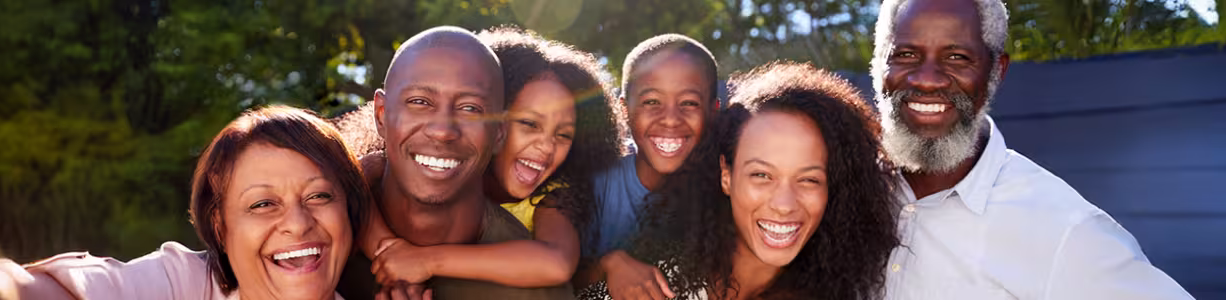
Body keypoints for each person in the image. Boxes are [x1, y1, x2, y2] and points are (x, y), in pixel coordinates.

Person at [0, 105, 371, 300]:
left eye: (320, 196)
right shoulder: (183, 285)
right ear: (218, 220)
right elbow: (46, 293)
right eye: (262, 204)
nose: (298, 224)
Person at [871, 0, 1193, 299]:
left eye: (957, 57)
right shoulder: (839, 188)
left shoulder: (1065, 230)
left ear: (996, 72)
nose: (927, 80)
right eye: (905, 54)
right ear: (877, 64)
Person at [578, 62, 899, 300]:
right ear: (726, 176)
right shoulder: (653, 282)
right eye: (762, 175)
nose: (784, 204)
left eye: (809, 180)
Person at [349, 27, 622, 291]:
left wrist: (426, 261)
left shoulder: (551, 199)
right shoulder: (421, 166)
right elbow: (352, 184)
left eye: (563, 135)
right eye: (528, 124)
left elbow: (556, 263)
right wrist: (386, 251)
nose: (546, 146)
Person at [580, 33, 721, 295]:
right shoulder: (595, 184)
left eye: (689, 103)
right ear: (624, 110)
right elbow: (562, 278)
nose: (670, 119)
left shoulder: (724, 191)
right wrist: (610, 264)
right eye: (651, 102)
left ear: (713, 112)